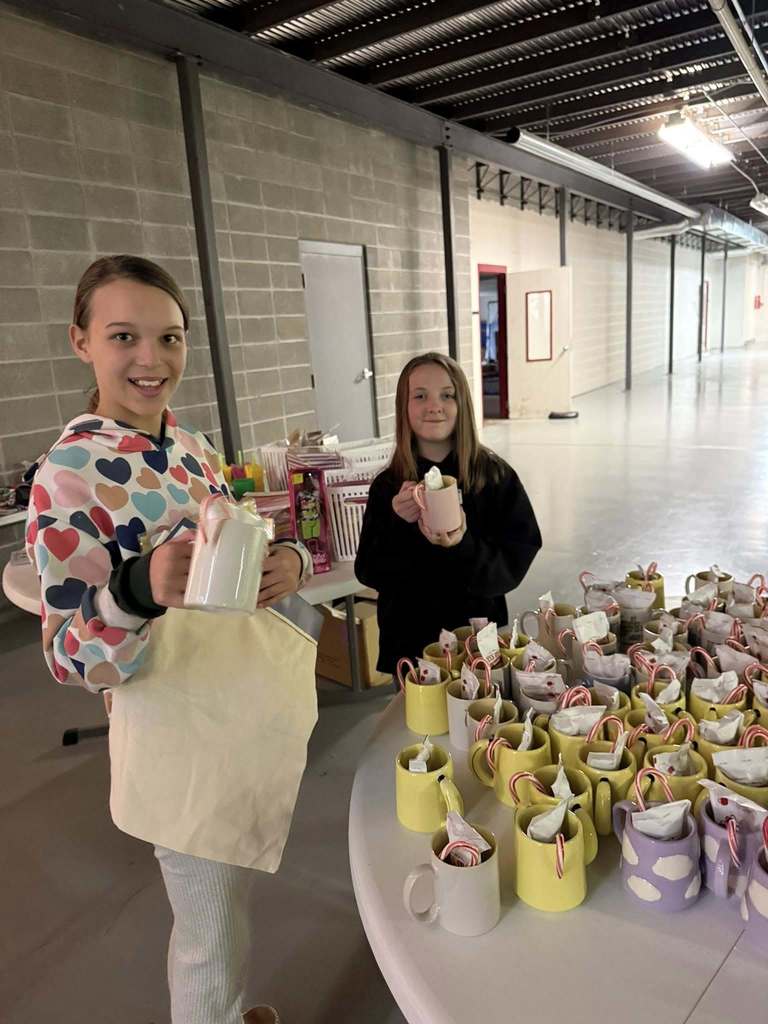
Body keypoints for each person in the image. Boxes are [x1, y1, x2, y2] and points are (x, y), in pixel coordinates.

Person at [26, 255, 319, 1024]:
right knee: (209, 936)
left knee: (232, 910)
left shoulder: (189, 449)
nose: (151, 360)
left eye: (170, 337)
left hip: (229, 715)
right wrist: (133, 589)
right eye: (124, 336)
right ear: (81, 341)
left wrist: (281, 559)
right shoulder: (69, 474)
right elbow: (67, 654)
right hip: (175, 735)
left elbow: (236, 545)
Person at [354, 352, 542, 673]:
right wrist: (400, 525)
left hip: (474, 634)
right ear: (404, 407)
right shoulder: (388, 486)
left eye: (447, 395)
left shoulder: (493, 477)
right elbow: (369, 570)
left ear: (462, 404)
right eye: (420, 396)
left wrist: (463, 545)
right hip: (410, 640)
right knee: (417, 720)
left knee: (476, 716)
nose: (434, 406)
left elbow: (515, 557)